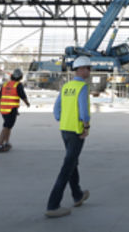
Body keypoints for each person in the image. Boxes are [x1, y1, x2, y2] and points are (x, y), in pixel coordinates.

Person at [45, 55, 92, 219]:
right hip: (76, 131)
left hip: (64, 129)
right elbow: (84, 110)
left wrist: (62, 119)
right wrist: (86, 126)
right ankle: (53, 205)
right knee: (67, 167)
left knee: (72, 161)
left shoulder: (66, 86)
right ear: (81, 69)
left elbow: (57, 109)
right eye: (88, 68)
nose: (89, 71)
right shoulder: (82, 87)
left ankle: (77, 194)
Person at [0, 68, 30, 153]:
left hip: (3, 109)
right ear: (20, 77)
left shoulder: (5, 84)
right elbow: (22, 95)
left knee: (8, 126)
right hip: (11, 109)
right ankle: (0, 145)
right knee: (6, 127)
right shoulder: (18, 85)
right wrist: (27, 103)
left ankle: (6, 143)